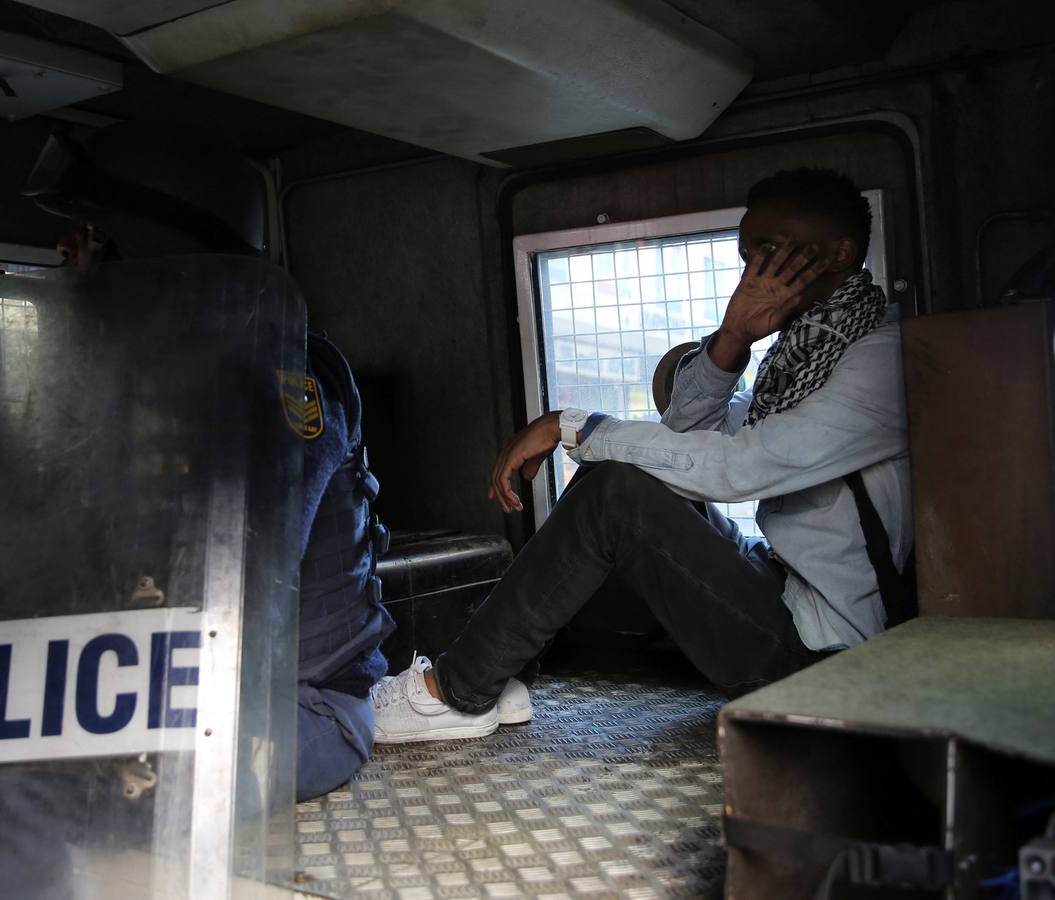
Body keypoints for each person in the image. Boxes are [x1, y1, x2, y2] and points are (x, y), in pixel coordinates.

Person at [370, 168, 913, 743]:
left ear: (839, 254)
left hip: (828, 656)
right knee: (626, 475)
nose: (752, 270)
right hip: (784, 587)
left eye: (772, 252)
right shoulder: (804, 354)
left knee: (616, 494)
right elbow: (685, 436)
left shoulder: (881, 358)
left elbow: (741, 468)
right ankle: (496, 680)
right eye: (747, 253)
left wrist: (572, 427)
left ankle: (457, 691)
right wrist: (732, 339)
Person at [47, 131, 394, 799]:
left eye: (91, 232)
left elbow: (247, 560)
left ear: (156, 250)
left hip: (295, 705)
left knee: (82, 793)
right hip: (153, 687)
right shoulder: (130, 382)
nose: (65, 249)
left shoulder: (287, 365)